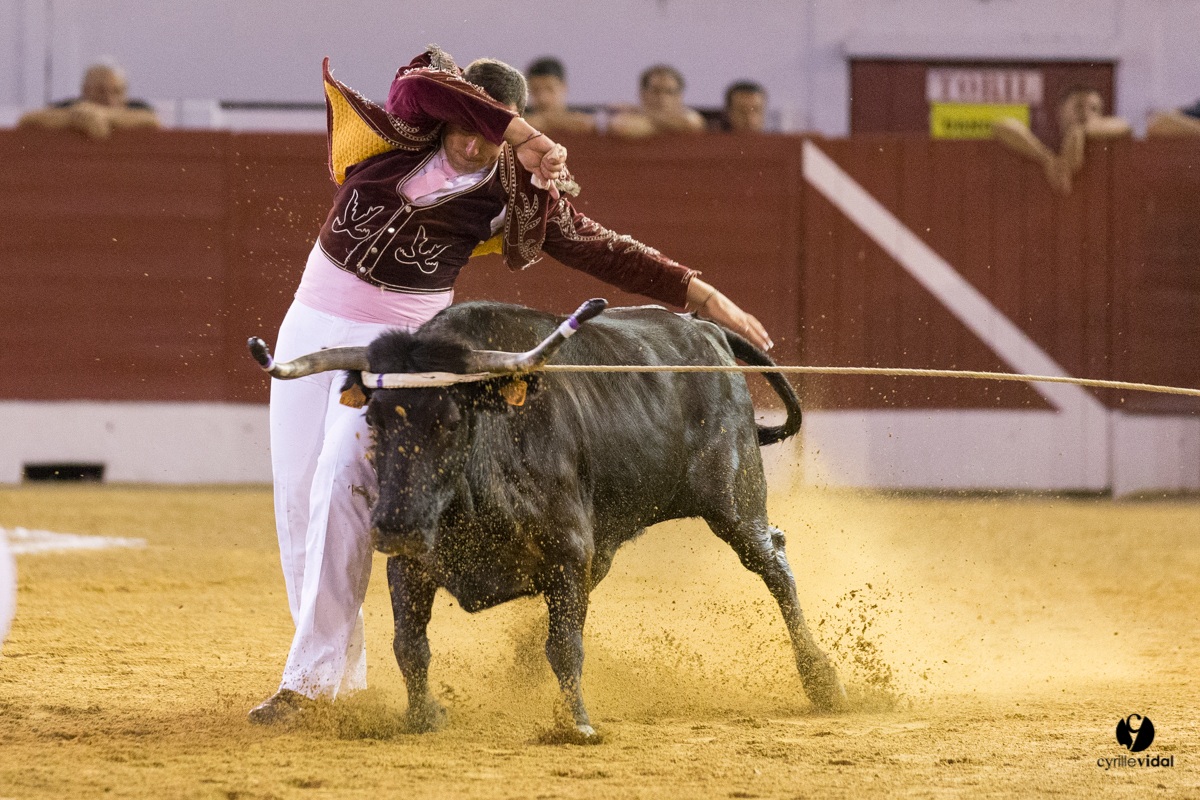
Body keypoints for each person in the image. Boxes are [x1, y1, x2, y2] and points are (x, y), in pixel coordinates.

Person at [248, 45, 772, 724]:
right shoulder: (409, 124)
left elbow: (601, 247)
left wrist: (700, 296)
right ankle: (335, 673)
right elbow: (420, 84)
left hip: (405, 346)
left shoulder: (514, 194)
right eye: (472, 128)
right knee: (295, 496)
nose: (474, 146)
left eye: (491, 136)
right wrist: (520, 132)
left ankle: (308, 684)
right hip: (309, 322)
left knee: (342, 478)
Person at [992, 86, 1130, 194]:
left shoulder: (1101, 138)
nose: (1086, 113)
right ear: (1060, 110)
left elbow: (1123, 125)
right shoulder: (1044, 136)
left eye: (1094, 109)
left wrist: (1080, 130)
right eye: (1079, 106)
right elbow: (1001, 125)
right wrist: (1046, 159)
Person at [17, 63, 159, 139]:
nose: (110, 99)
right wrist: (75, 116)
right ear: (85, 91)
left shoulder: (139, 107)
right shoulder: (71, 106)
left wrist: (104, 114)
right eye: (101, 91)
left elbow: (152, 121)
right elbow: (27, 120)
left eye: (117, 91)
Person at [609, 64, 706, 138]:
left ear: (679, 96)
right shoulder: (631, 118)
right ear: (643, 94)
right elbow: (624, 127)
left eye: (669, 92)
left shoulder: (689, 116)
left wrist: (644, 115)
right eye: (655, 91)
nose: (662, 98)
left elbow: (692, 124)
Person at [523, 57, 597, 134]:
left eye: (550, 89)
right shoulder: (519, 116)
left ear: (564, 87)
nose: (543, 98)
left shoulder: (587, 115)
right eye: (535, 90)